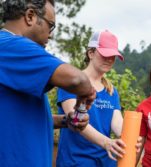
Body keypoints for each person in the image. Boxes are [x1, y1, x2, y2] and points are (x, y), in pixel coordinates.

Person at [0, 0, 96, 167]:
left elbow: (21, 116)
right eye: (50, 25)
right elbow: (78, 80)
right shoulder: (10, 45)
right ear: (30, 16)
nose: (51, 35)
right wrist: (84, 95)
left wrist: (66, 121)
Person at [56, 30, 127, 167]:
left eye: (113, 55)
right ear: (91, 53)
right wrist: (107, 142)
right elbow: (76, 121)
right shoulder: (72, 82)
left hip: (106, 161)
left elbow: (117, 123)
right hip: (77, 161)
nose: (109, 59)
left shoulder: (111, 90)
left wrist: (131, 137)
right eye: (105, 54)